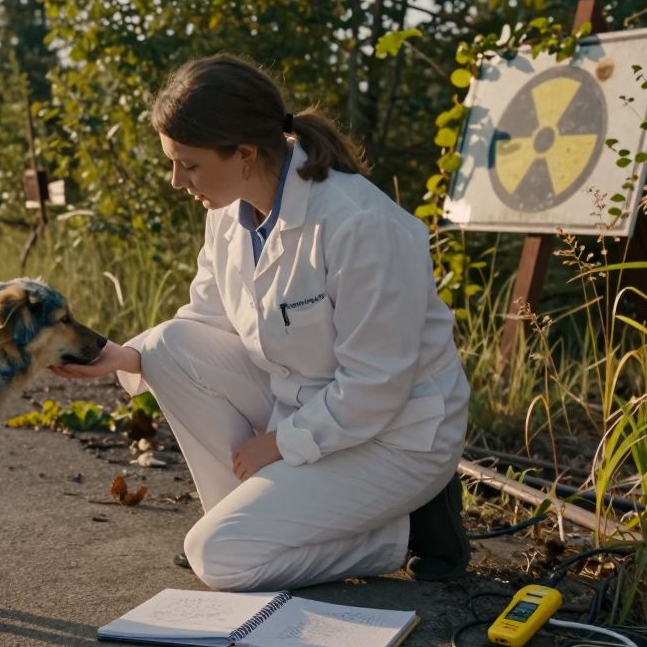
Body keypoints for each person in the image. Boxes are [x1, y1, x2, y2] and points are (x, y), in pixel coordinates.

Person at [51, 54, 472, 591]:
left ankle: (402, 529)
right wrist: (126, 356)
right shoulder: (227, 212)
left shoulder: (359, 225)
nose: (176, 181)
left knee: (221, 559)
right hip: (307, 407)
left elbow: (376, 386)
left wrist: (277, 444)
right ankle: (257, 522)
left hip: (395, 435)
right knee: (168, 344)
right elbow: (205, 323)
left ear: (245, 153)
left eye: (189, 164)